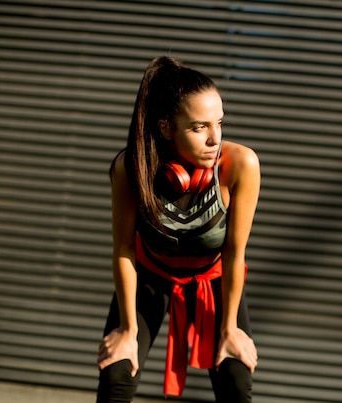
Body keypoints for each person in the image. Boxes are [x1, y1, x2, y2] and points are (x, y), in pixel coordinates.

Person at [96, 56, 260, 403]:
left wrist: (230, 329)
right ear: (166, 128)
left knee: (235, 377)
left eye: (220, 123)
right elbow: (124, 249)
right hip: (150, 275)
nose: (215, 138)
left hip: (213, 279)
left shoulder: (240, 165)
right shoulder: (131, 169)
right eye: (199, 127)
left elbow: (234, 253)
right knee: (117, 373)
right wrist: (128, 329)